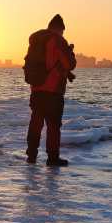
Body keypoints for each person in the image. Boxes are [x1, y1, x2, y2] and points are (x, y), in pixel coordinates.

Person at [26, 14, 76, 166]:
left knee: (36, 122)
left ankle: (32, 155)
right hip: (53, 90)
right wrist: (71, 53)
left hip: (36, 88)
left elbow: (47, 62)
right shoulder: (59, 40)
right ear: (60, 29)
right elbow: (69, 64)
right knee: (53, 125)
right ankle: (53, 158)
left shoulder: (36, 40)